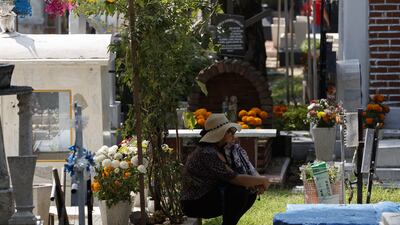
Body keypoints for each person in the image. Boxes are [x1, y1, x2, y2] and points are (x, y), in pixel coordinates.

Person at [181, 114, 270, 225]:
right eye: (230, 132)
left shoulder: (220, 150)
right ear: (221, 134)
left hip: (208, 196)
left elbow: (235, 175)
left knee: (249, 192)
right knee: (239, 192)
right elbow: (234, 178)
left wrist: (256, 183)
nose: (233, 135)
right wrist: (262, 180)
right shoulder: (207, 152)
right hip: (194, 203)